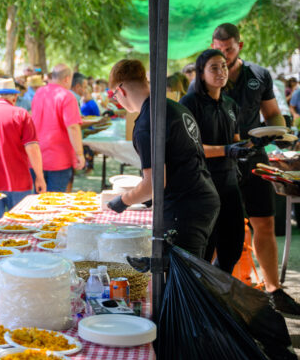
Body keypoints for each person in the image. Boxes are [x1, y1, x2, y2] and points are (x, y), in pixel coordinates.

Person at [210, 23, 300, 315]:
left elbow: (272, 112)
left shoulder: (259, 75)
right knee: (216, 227)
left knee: (264, 223)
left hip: (254, 157)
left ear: (240, 46)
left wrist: (277, 128)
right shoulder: (206, 72)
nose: (224, 56)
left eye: (229, 50)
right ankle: (210, 291)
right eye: (218, 50)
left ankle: (273, 289)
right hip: (219, 161)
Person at [106, 60, 220, 258]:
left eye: (115, 96)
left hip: (185, 208)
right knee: (195, 274)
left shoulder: (146, 123)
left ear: (121, 91)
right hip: (204, 197)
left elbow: (154, 184)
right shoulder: (175, 108)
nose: (118, 101)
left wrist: (123, 201)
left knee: (183, 281)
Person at [180, 49, 253, 274]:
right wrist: (227, 150)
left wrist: (254, 145)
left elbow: (236, 142)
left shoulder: (231, 105)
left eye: (223, 66)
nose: (221, 71)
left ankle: (219, 290)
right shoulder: (189, 103)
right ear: (201, 74)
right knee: (203, 248)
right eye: (214, 67)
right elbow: (190, 147)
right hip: (202, 185)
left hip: (230, 183)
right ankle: (200, 297)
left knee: (232, 246)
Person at [0, 77, 46, 229]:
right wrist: (40, 177)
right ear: (14, 97)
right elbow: (32, 148)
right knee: (21, 228)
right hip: (18, 181)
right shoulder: (21, 114)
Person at [30, 64, 85, 192]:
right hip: (58, 160)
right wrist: (80, 154)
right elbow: (73, 127)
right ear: (67, 79)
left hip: (36, 157)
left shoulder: (39, 92)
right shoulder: (67, 96)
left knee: (36, 204)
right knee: (54, 204)